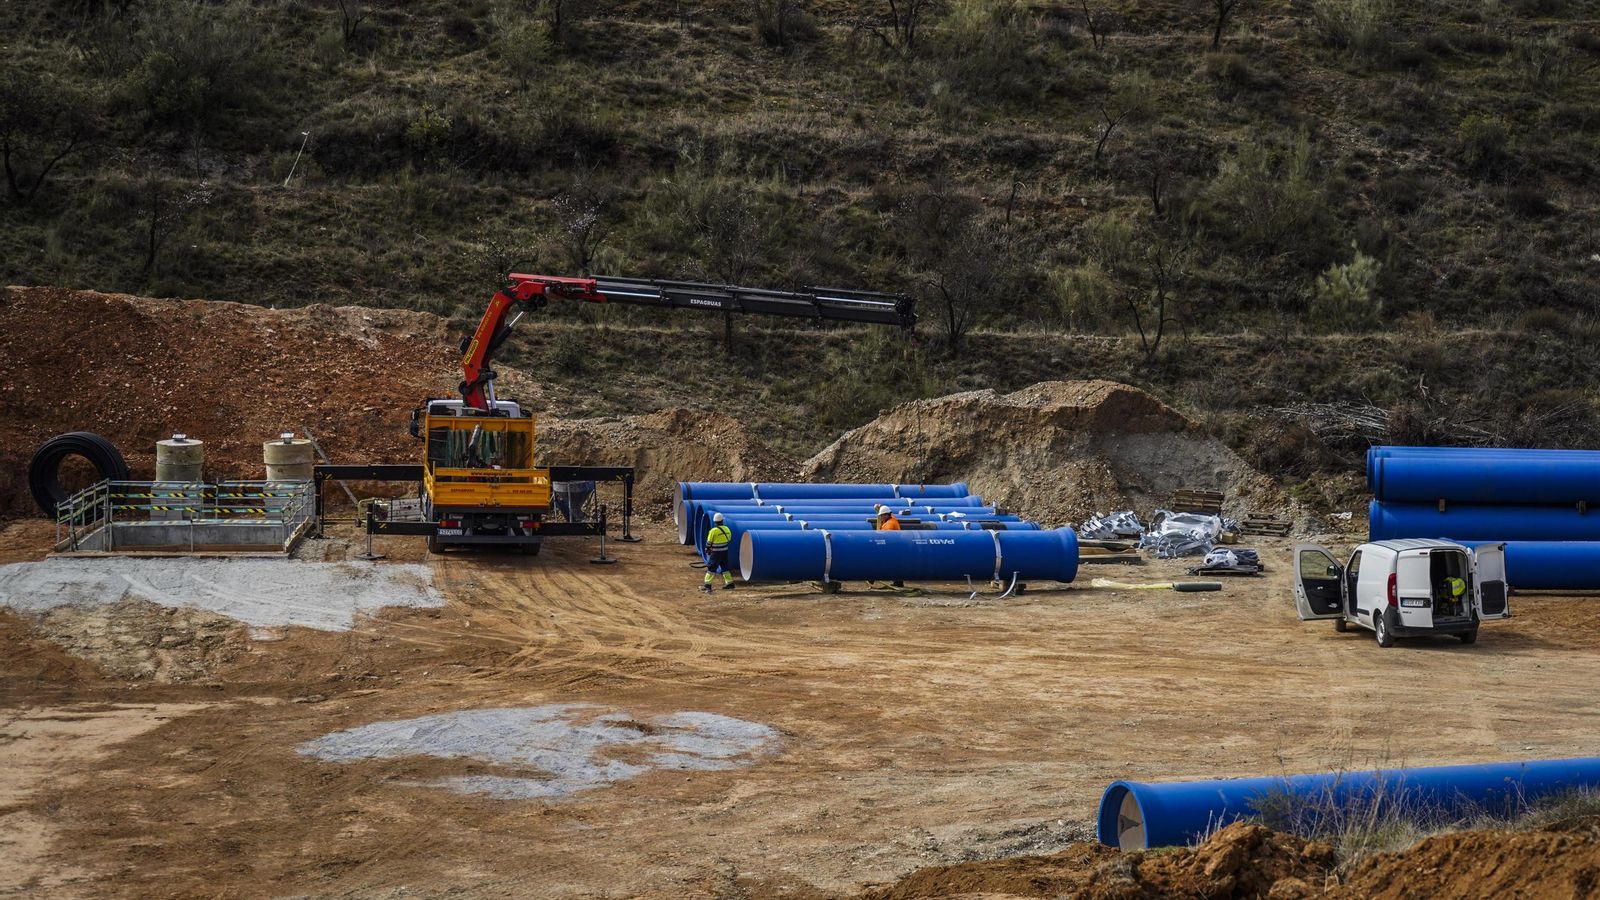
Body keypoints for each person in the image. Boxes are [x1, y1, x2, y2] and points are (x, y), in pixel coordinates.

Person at [702, 512, 736, 593]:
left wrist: (707, 549)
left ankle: (707, 585)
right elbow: (729, 539)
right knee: (725, 567)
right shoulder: (727, 529)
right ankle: (730, 583)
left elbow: (709, 542)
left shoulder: (713, 531)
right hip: (724, 551)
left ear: (715, 522)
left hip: (716, 553)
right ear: (722, 520)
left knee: (711, 568)